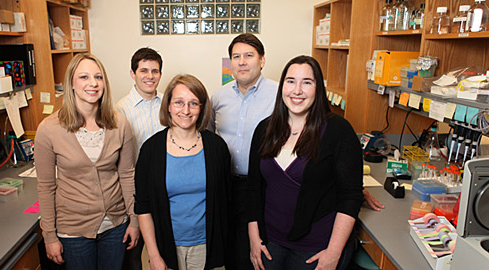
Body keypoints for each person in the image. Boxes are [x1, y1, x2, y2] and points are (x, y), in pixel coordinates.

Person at [246, 56, 363, 270]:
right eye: (290, 81)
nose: (297, 90)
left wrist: (334, 253)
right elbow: (254, 188)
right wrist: (254, 238)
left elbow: (350, 196)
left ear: (318, 88)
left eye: (307, 82)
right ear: (282, 86)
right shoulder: (264, 129)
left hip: (316, 247)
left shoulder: (338, 131)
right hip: (270, 241)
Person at [36, 53, 139, 270]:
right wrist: (49, 236)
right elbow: (46, 187)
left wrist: (134, 220)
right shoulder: (49, 129)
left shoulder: (119, 124)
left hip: (115, 226)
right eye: (84, 77)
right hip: (73, 231)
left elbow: (127, 175)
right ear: (71, 83)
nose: (93, 83)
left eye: (98, 77)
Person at [135, 74, 231, 270]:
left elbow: (226, 202)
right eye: (179, 102)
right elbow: (143, 207)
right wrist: (153, 255)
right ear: (168, 105)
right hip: (165, 246)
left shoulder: (217, 147)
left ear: (202, 108)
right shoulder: (151, 150)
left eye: (193, 103)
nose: (186, 111)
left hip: (208, 246)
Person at [209, 33, 278, 270]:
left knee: (260, 251)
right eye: (236, 57)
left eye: (249, 55)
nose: (242, 62)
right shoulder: (218, 97)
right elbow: (208, 139)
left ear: (262, 60)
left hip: (263, 186)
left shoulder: (280, 95)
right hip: (226, 184)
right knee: (231, 250)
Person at [116, 47, 165, 270]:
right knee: (134, 254)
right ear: (132, 73)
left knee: (164, 251)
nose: (150, 76)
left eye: (155, 71)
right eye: (144, 70)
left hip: (166, 188)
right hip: (136, 191)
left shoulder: (169, 104)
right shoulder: (120, 110)